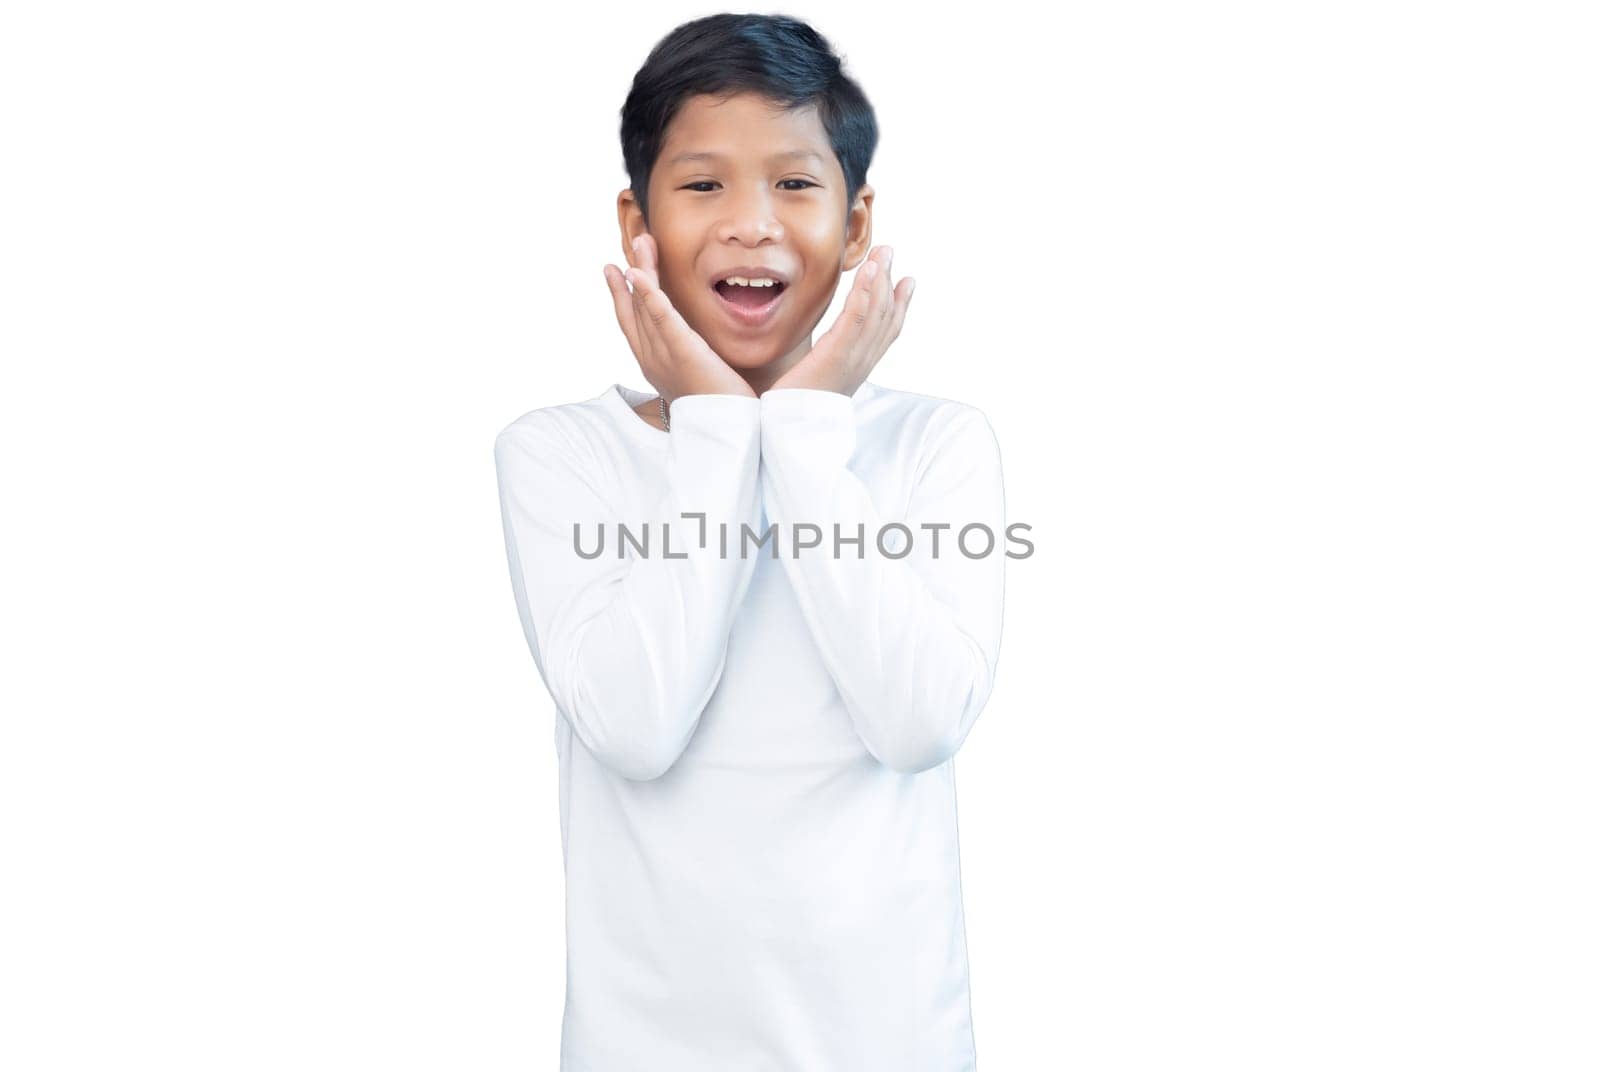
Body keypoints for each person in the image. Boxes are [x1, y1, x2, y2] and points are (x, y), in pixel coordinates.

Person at [492, 13, 1006, 1070]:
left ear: (857, 228)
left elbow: (917, 721)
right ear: (635, 219)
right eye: (702, 185)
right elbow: (634, 727)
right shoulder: (558, 452)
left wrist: (805, 430)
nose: (749, 225)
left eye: (795, 184)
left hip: (893, 1044)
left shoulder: (934, 444)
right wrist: (720, 428)